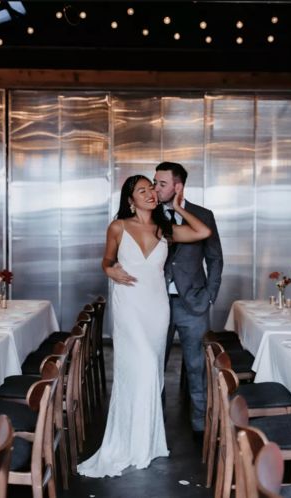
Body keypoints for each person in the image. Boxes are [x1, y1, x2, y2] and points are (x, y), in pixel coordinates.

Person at [78, 175, 211, 478]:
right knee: (142, 368)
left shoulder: (165, 230)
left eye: (152, 188)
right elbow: (107, 261)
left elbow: (202, 231)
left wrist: (178, 205)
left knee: (151, 373)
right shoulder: (118, 227)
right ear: (130, 199)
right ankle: (128, 440)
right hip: (129, 306)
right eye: (143, 190)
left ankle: (148, 441)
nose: (151, 193)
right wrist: (111, 271)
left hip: (156, 307)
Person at [154, 162, 223, 438]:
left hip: (192, 303)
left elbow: (215, 258)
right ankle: (153, 422)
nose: (156, 188)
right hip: (155, 302)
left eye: (161, 183)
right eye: (154, 182)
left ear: (177, 186)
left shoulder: (203, 215)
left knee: (197, 367)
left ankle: (201, 426)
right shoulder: (148, 215)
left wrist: (209, 295)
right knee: (155, 364)